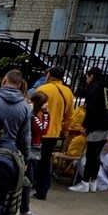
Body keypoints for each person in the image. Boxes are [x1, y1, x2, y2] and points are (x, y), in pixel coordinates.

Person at [69, 67, 108, 193]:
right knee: (96, 155)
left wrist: (86, 126)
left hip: (97, 125)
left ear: (91, 76)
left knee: (90, 155)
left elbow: (91, 109)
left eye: (87, 77)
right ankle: (93, 182)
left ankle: (85, 182)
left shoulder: (94, 88)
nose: (86, 79)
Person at [33, 66, 75, 200]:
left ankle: (32, 183)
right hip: (54, 131)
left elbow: (34, 109)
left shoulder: (43, 89)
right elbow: (69, 116)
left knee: (34, 159)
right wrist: (64, 130)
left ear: (49, 75)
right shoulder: (68, 92)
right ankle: (43, 189)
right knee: (45, 161)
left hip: (39, 130)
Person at [20, 91, 49, 215]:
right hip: (31, 150)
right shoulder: (34, 116)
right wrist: (47, 114)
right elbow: (41, 129)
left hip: (34, 149)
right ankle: (23, 209)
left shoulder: (37, 115)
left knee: (28, 180)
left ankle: (24, 209)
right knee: (27, 179)